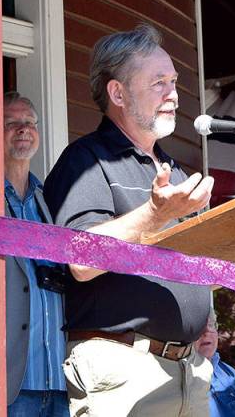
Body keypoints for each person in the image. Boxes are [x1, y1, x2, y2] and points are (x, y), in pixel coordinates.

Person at [44, 23, 215, 416]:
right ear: (117, 93)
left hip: (190, 370)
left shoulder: (175, 169)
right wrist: (155, 214)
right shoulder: (86, 161)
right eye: (159, 83)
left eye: (173, 82)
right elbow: (81, 262)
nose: (173, 95)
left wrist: (209, 320)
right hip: (120, 370)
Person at [3, 92, 70, 416]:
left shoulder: (49, 201)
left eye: (29, 122)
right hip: (12, 383)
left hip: (59, 379)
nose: (23, 128)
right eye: (11, 122)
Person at [194, 311, 235, 417]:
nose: (208, 331)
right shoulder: (179, 384)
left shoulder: (224, 369)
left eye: (211, 324)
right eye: (198, 325)